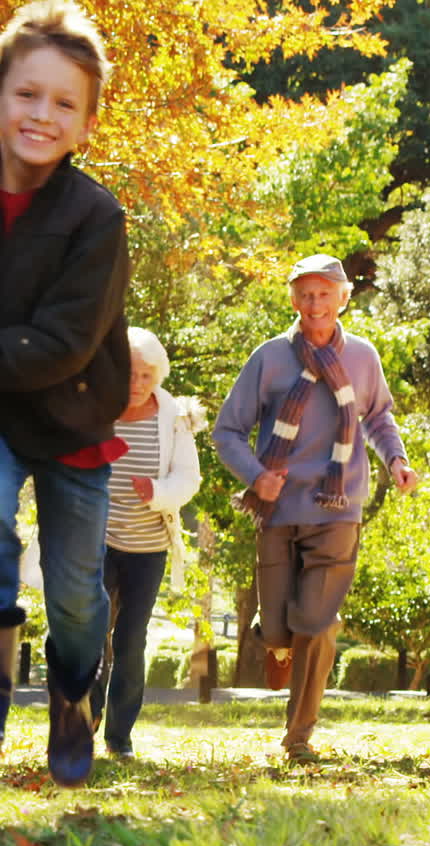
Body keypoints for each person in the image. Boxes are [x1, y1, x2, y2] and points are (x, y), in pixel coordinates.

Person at [213, 252, 418, 762]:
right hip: (278, 508)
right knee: (282, 626)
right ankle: (276, 637)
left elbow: (378, 417)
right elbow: (227, 432)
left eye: (325, 292)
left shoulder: (364, 357)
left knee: (317, 621)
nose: (315, 303)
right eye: (305, 293)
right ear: (293, 299)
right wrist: (257, 478)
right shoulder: (270, 358)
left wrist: (396, 460)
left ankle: (298, 736)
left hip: (338, 504)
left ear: (343, 298)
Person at [0, 0, 130, 785]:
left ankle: (73, 695)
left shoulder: (96, 215)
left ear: (85, 125)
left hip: (71, 412)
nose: (42, 114)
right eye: (25, 93)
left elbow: (64, 342)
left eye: (64, 104)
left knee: (78, 594)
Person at [90, 328, 202, 758]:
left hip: (148, 546)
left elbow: (188, 478)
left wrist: (155, 491)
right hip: (99, 538)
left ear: (158, 375)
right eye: (129, 373)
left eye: (146, 375)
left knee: (131, 640)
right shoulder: (97, 408)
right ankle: (86, 718)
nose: (136, 384)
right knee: (92, 631)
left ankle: (120, 738)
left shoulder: (172, 416)